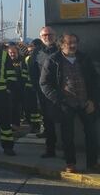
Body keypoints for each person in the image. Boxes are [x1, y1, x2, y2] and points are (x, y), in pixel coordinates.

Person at [40, 33, 100, 174]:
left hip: (86, 103)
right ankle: (70, 163)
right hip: (66, 104)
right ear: (61, 44)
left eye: (74, 42)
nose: (73, 45)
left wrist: (93, 100)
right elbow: (45, 84)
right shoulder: (52, 60)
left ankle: (92, 162)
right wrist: (59, 101)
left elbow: (95, 81)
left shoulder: (84, 58)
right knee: (67, 136)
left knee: (91, 134)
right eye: (69, 43)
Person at [30, 27, 59, 157]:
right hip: (44, 93)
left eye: (50, 34)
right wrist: (38, 89)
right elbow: (33, 72)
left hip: (62, 92)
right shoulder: (36, 52)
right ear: (41, 37)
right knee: (48, 122)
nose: (47, 37)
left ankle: (68, 150)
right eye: (44, 35)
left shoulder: (61, 49)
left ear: (55, 35)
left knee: (65, 123)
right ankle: (50, 149)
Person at [22, 42, 43, 134]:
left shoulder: (40, 58)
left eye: (32, 51)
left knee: (38, 108)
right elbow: (24, 74)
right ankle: (34, 125)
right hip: (29, 87)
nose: (31, 53)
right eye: (29, 51)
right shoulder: (26, 59)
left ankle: (38, 126)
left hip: (39, 87)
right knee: (31, 108)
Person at [6, 44, 25, 132]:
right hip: (7, 89)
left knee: (16, 107)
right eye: (10, 52)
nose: (12, 54)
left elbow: (24, 75)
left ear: (17, 53)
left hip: (19, 88)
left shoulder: (22, 61)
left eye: (14, 52)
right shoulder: (5, 62)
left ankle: (16, 124)